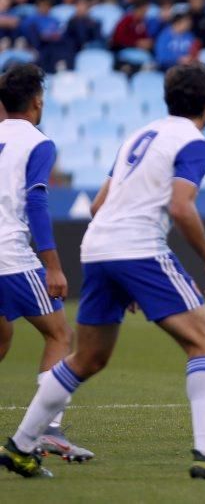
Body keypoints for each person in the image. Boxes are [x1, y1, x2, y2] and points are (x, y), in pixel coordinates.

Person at [0, 64, 205, 479]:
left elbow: (97, 206)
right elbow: (181, 206)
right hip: (137, 247)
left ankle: (20, 446)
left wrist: (127, 280)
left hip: (98, 247)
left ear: (167, 100)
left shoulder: (139, 135)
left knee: (87, 357)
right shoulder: (194, 142)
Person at [0, 64, 94, 470]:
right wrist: (52, 265)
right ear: (38, 101)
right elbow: (37, 202)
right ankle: (48, 429)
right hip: (11, 257)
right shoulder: (38, 143)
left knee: (1, 341)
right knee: (60, 334)